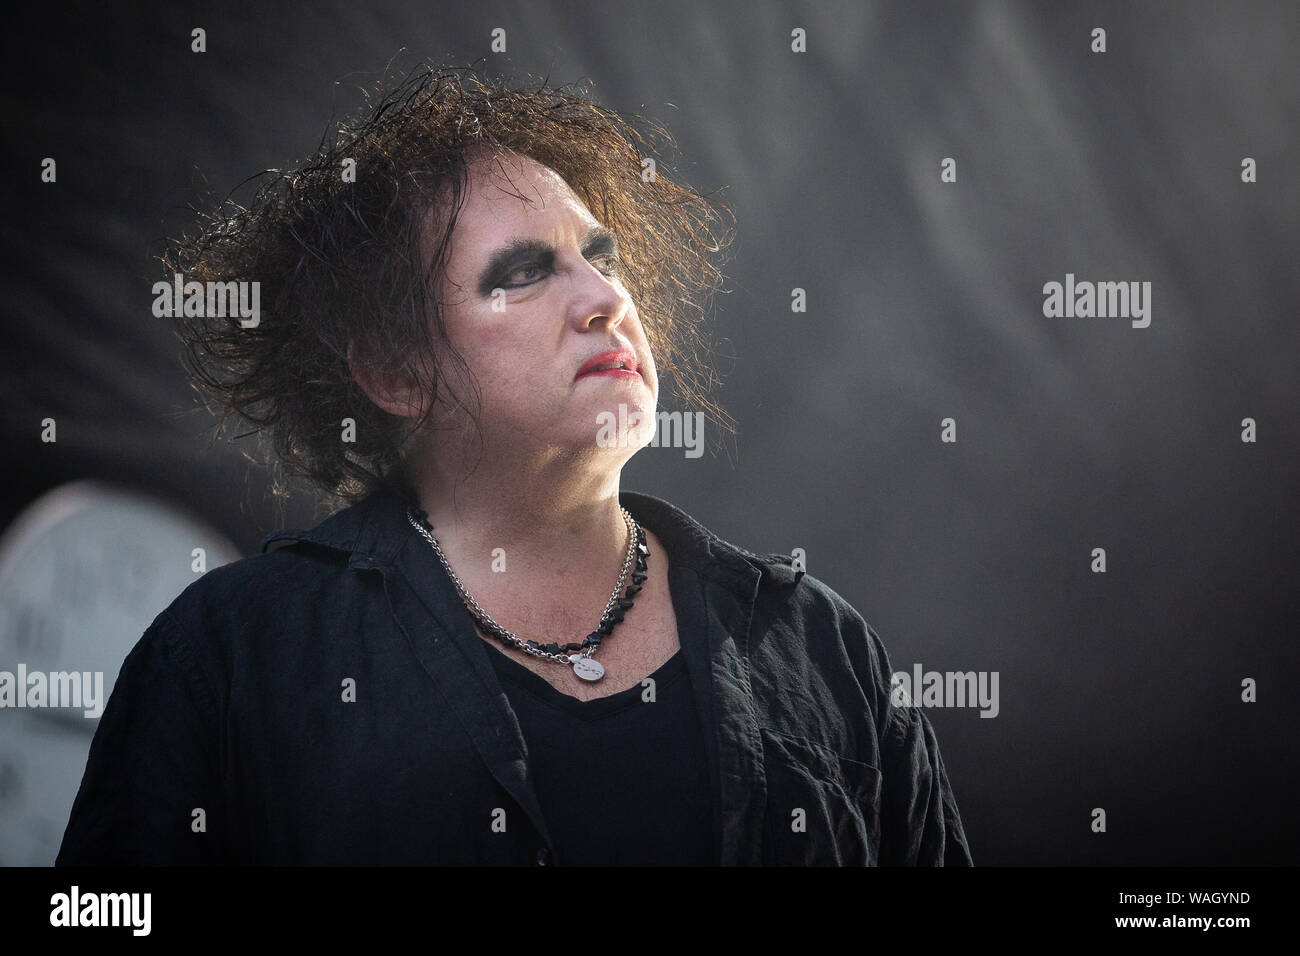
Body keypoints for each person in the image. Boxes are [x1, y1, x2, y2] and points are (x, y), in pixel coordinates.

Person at [56, 64, 972, 866]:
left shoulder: (819, 645)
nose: (608, 299)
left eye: (601, 258)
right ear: (394, 371)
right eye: (525, 274)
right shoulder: (231, 659)